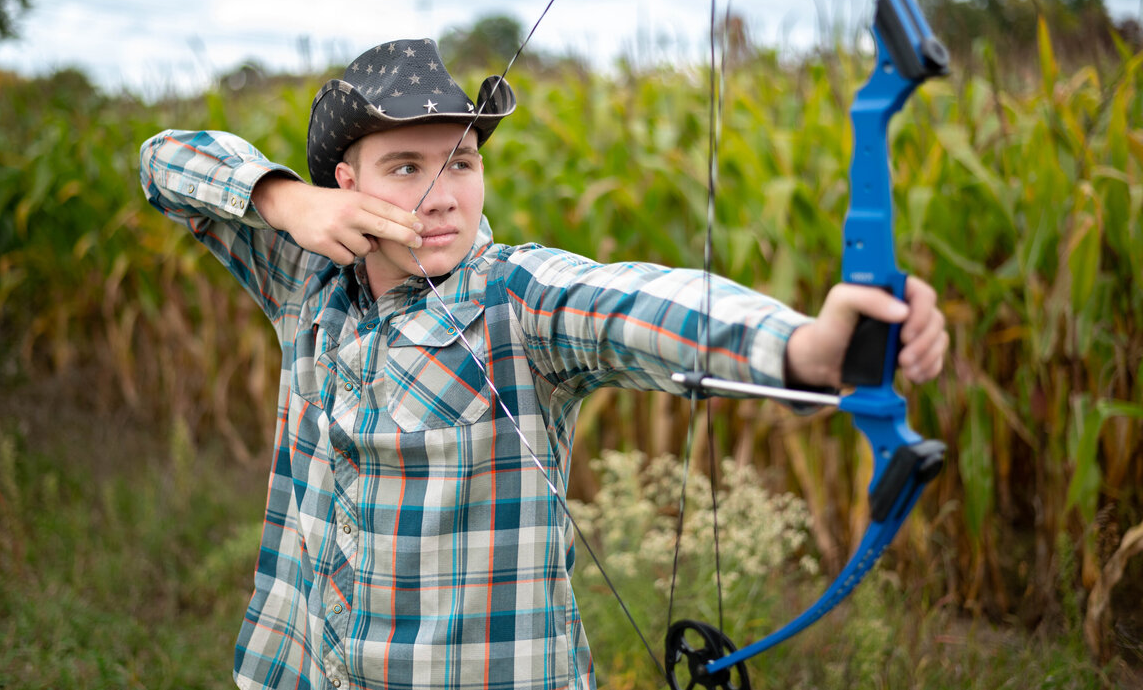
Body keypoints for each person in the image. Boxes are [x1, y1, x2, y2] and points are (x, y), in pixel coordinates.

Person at [139, 38, 947, 690]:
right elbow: (164, 160)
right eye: (407, 167)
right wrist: (284, 198)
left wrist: (811, 347)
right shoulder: (304, 279)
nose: (445, 195)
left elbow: (637, 304)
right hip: (303, 667)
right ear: (346, 184)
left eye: (460, 162)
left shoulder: (517, 299)